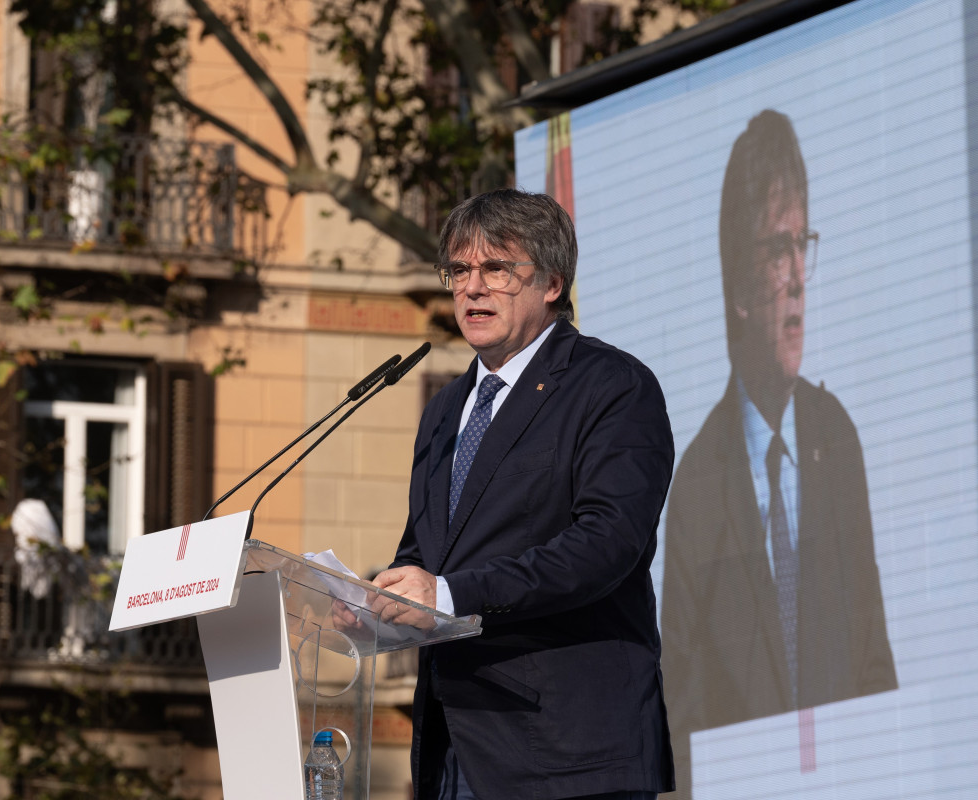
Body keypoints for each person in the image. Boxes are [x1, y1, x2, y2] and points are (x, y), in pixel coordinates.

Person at [372, 188, 675, 800]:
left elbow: (607, 544)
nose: (472, 288)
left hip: (569, 751)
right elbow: (426, 553)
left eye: (497, 269)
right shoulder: (445, 410)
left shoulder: (612, 386)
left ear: (553, 284)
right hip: (456, 747)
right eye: (459, 269)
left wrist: (451, 594)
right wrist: (367, 602)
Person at [660, 110, 897, 797]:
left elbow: (873, 656)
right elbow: (682, 701)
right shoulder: (698, 480)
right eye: (775, 251)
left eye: (802, 245)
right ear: (737, 287)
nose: (796, 276)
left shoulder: (836, 439)